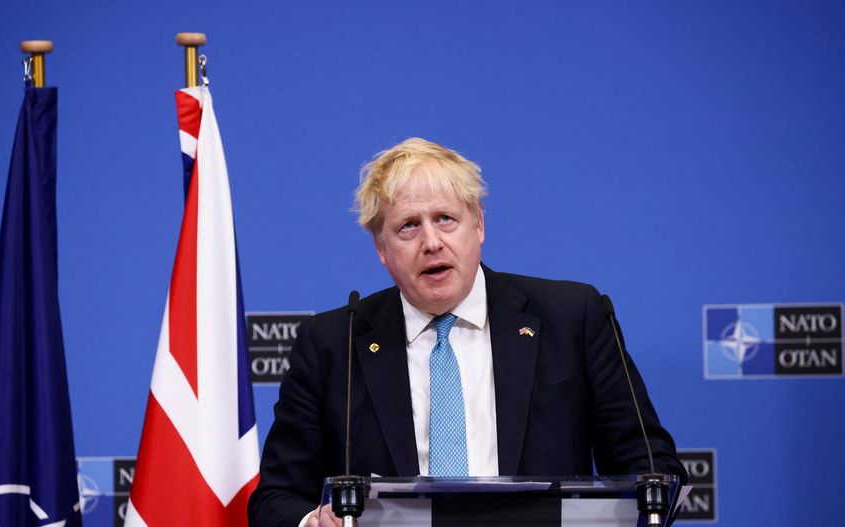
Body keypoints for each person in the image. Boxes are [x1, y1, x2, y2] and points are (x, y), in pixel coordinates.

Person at [247, 138, 686, 527]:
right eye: (408, 226)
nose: (431, 242)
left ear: (479, 226)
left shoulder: (572, 317)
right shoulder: (331, 344)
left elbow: (651, 465)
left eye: (445, 219)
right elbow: (274, 500)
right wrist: (313, 521)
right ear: (382, 249)